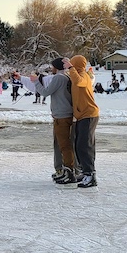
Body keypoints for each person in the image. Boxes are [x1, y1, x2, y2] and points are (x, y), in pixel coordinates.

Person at [23, 58, 76, 184]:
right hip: (64, 114)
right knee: (62, 144)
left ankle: (69, 172)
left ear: (56, 67)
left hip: (62, 115)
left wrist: (36, 81)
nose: (51, 68)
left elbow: (45, 92)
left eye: (52, 66)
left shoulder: (59, 78)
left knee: (64, 145)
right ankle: (65, 170)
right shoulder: (67, 77)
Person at [64, 55, 99, 188]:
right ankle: (86, 172)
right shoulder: (78, 75)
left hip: (89, 115)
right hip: (82, 115)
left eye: (72, 63)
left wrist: (71, 68)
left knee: (85, 145)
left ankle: (90, 175)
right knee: (79, 145)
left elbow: (79, 82)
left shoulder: (83, 76)